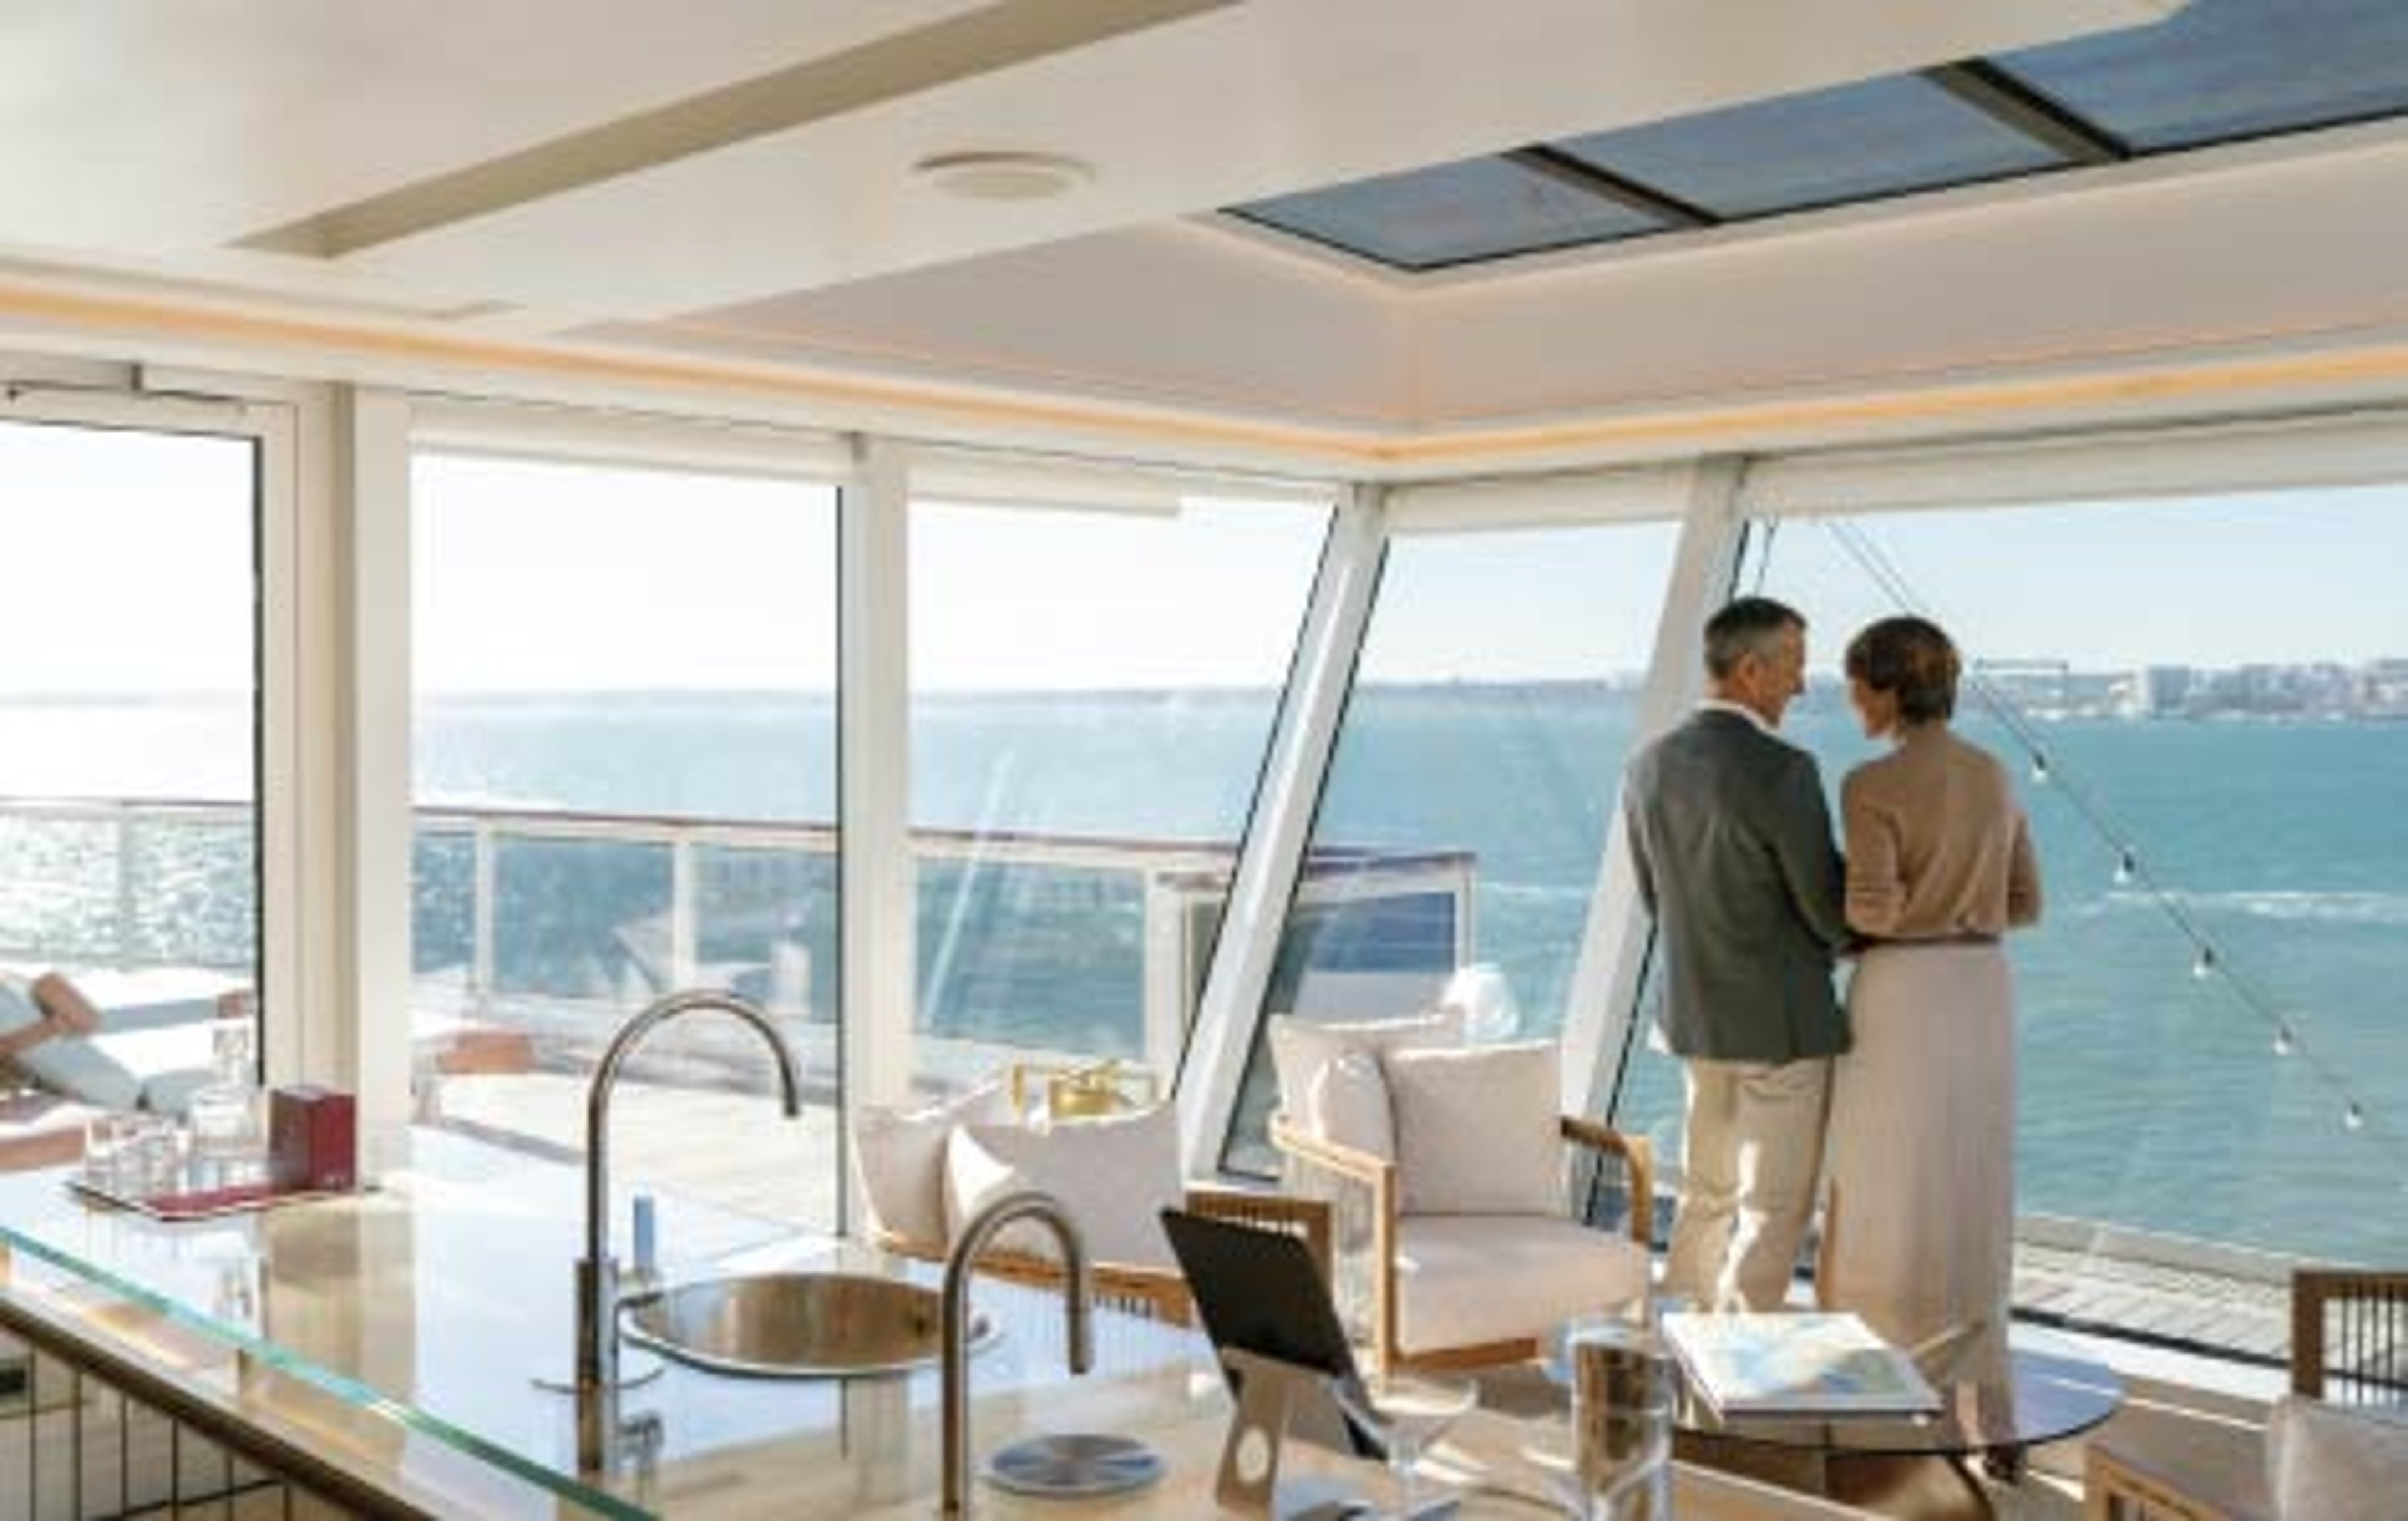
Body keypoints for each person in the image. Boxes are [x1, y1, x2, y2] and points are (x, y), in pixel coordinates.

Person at [1822, 616, 2041, 1365]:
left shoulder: (1870, 784)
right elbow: (2026, 903)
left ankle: (1871, 1365)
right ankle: (1972, 1364)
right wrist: (1960, 904)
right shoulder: (1995, 775)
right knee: (1969, 1176)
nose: (1851, 699)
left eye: (1856, 683)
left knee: (1883, 1171)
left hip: (1903, 992)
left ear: (1886, 688)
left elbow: (1871, 910)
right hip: (1982, 988)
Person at [1623, 596, 1851, 1312]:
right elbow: (1828, 908)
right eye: (1793, 666)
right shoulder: (1784, 770)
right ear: (1750, 670)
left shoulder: (1646, 766)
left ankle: (1678, 1330)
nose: (1801, 685)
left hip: (1694, 1019)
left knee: (1706, 1190)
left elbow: (1657, 899)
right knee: (1773, 1205)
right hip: (1779, 1027)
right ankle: (1741, 1362)